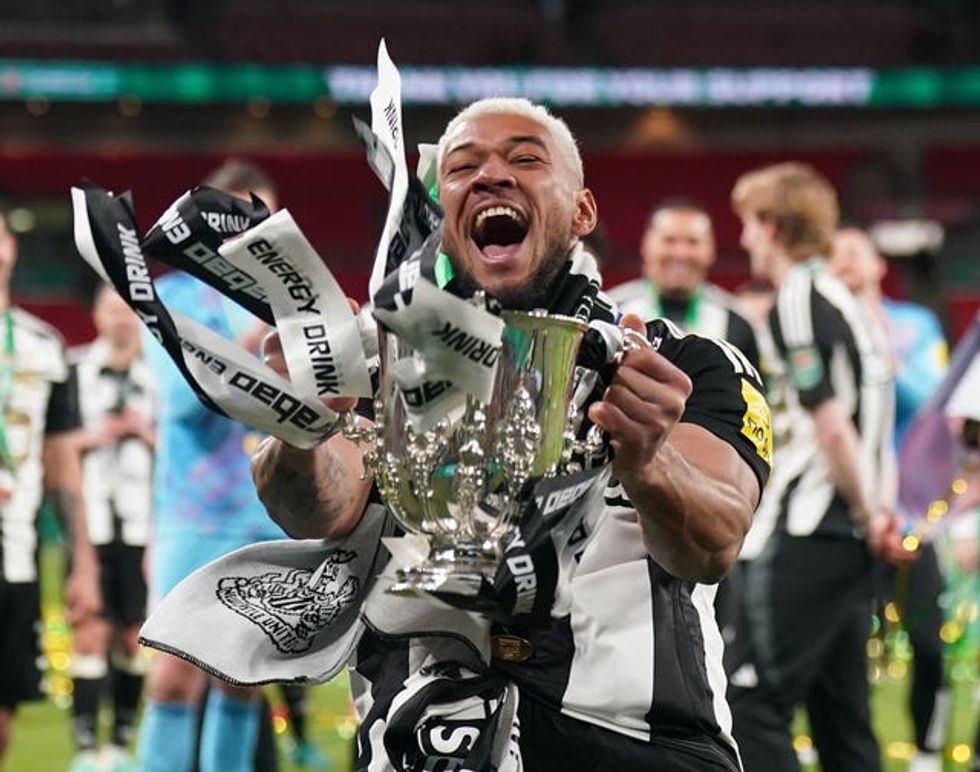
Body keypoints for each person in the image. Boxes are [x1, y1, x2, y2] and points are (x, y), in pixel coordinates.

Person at [252, 97, 773, 770]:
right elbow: (314, 509)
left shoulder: (681, 362)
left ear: (582, 212)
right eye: (464, 167)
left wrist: (649, 460)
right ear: (442, 220)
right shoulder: (381, 358)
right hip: (430, 735)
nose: (492, 175)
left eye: (525, 158)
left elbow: (715, 542)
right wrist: (302, 426)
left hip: (636, 741)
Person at [727, 162, 913, 772]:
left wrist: (866, 510)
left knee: (750, 701)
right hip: (851, 535)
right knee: (843, 721)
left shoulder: (801, 298)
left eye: (749, 225)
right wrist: (878, 515)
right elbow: (869, 422)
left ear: (774, 225)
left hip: (810, 528)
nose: (745, 240)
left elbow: (832, 425)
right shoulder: (850, 302)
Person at [135, 161, 289, 772]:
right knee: (174, 677)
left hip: (265, 513)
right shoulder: (172, 297)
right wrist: (253, 336)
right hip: (194, 517)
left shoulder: (293, 302)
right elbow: (181, 401)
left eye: (264, 219)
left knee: (241, 679)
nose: (253, 232)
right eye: (242, 216)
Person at [830, 227, 949, 771]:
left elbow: (933, 402)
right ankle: (856, 752)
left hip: (911, 515)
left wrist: (880, 344)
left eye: (854, 253)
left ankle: (927, 747)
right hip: (845, 515)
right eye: (834, 256)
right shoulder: (823, 327)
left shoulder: (913, 325)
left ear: (878, 265)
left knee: (929, 641)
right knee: (844, 648)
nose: (845, 263)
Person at [0, 204, 101, 765]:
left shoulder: (44, 346)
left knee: (5, 713)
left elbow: (63, 463)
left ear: (10, 249)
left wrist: (82, 562)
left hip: (17, 555)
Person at [67, 283, 155, 772]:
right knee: (89, 629)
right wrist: (90, 437)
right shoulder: (75, 369)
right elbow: (55, 446)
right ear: (97, 315)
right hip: (91, 523)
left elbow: (180, 456)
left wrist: (146, 432)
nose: (120, 320)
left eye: (128, 311)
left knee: (133, 635)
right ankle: (84, 750)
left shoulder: (159, 378)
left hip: (143, 523)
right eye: (111, 309)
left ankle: (120, 745)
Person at [608, 198, 762, 372]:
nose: (681, 253)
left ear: (711, 250)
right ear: (646, 245)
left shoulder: (738, 322)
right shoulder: (611, 311)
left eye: (693, 242)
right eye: (669, 240)